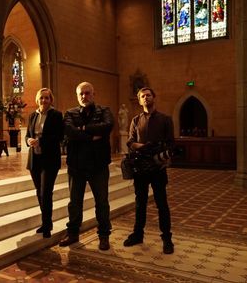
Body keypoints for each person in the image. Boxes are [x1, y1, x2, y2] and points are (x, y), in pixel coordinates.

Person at [59, 82, 114, 250]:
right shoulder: (70, 113)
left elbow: (107, 126)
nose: (84, 96)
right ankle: (73, 233)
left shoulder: (104, 111)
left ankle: (104, 235)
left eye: (87, 93)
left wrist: (82, 129)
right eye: (81, 94)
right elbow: (69, 131)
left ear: (93, 93)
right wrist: (91, 136)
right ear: (77, 96)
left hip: (98, 165)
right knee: (75, 203)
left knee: (102, 202)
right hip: (76, 166)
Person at [123, 87, 175, 254]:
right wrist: (144, 147)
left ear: (154, 97)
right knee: (140, 203)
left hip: (158, 167)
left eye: (148, 95)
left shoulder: (165, 119)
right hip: (140, 168)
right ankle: (138, 234)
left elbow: (170, 143)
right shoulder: (136, 120)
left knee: (162, 204)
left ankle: (167, 238)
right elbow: (130, 142)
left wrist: (159, 154)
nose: (146, 98)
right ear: (139, 100)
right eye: (142, 96)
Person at [26, 88, 64, 238]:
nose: (44, 100)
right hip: (35, 159)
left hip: (49, 159)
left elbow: (59, 136)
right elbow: (28, 134)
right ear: (37, 99)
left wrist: (40, 140)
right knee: (39, 192)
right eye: (41, 98)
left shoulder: (56, 115)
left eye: (47, 98)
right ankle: (46, 222)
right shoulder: (32, 116)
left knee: (46, 192)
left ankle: (47, 225)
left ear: (51, 100)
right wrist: (28, 140)